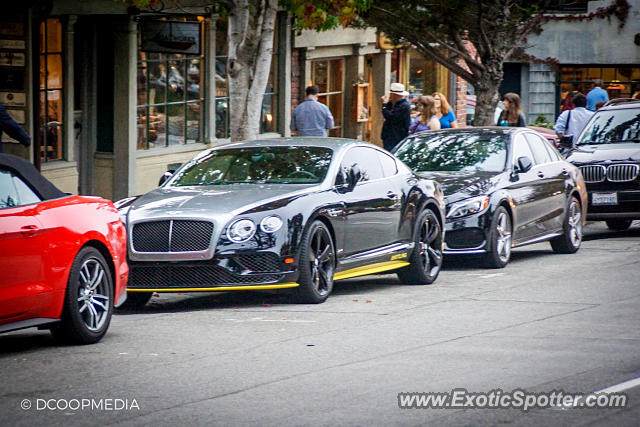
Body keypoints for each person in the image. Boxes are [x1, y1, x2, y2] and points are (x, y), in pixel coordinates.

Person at [381, 82, 411, 151]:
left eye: (391, 94)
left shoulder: (404, 106)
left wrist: (384, 105)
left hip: (396, 138)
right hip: (389, 137)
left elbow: (390, 117)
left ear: (395, 95)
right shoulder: (394, 104)